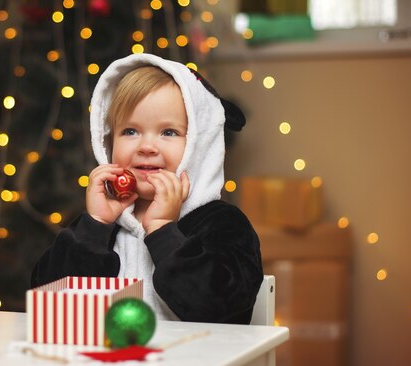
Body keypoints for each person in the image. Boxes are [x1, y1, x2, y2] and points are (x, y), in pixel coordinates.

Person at [31, 53, 263, 323]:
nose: (146, 147)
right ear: (109, 141)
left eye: (169, 132)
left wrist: (163, 230)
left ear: (200, 146)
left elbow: (221, 307)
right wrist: (94, 227)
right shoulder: (101, 225)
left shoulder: (221, 223)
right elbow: (48, 307)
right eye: (130, 131)